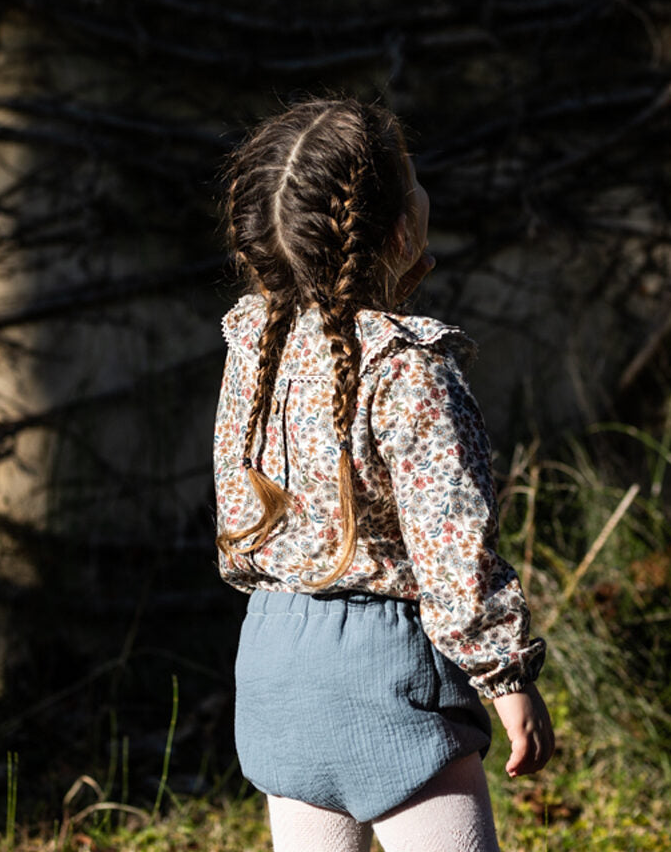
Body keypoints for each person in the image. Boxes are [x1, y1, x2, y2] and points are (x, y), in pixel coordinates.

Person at [213, 97, 553, 852]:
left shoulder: (252, 349)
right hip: (389, 676)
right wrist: (507, 677)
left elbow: (238, 514)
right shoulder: (410, 370)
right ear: (402, 228)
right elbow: (451, 549)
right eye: (413, 179)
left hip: (274, 660)